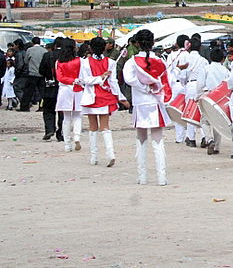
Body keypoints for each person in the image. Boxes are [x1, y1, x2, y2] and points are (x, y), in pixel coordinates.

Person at [123, 29, 172, 186]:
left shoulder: (132, 62)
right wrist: (153, 88)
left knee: (141, 140)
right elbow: (166, 81)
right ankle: (161, 177)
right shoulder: (160, 61)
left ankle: (142, 176)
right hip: (155, 103)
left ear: (137, 43)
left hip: (140, 103)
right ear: (153, 43)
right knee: (158, 141)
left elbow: (128, 79)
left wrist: (143, 88)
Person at [81, 37, 128, 167]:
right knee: (105, 127)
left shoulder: (85, 62)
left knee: (93, 127)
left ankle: (94, 156)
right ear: (104, 47)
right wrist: (121, 97)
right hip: (105, 97)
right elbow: (114, 83)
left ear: (90, 47)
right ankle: (110, 154)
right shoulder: (111, 62)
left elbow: (85, 80)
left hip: (91, 97)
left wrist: (97, 79)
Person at [198, 47, 230, 155]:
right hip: (220, 98)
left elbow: (200, 84)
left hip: (208, 95)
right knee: (217, 121)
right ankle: (216, 147)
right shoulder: (225, 70)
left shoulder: (206, 68)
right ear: (222, 59)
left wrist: (197, 96)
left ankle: (209, 139)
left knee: (204, 120)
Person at [55, 38, 84, 152]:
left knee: (66, 118)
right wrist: (76, 80)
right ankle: (77, 136)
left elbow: (60, 77)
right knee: (77, 116)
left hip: (64, 90)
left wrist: (71, 80)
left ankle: (67, 144)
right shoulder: (80, 61)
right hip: (77, 89)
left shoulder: (59, 62)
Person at [182, 37, 208, 147]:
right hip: (201, 85)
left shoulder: (186, 59)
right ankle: (204, 136)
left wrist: (185, 84)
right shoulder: (204, 60)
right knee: (202, 112)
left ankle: (191, 138)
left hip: (191, 84)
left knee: (189, 111)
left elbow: (183, 75)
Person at [165, 35, 190, 144]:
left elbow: (168, 71)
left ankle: (179, 137)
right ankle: (190, 136)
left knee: (176, 111)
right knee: (187, 110)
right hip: (187, 84)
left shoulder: (172, 55)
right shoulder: (188, 55)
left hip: (175, 84)